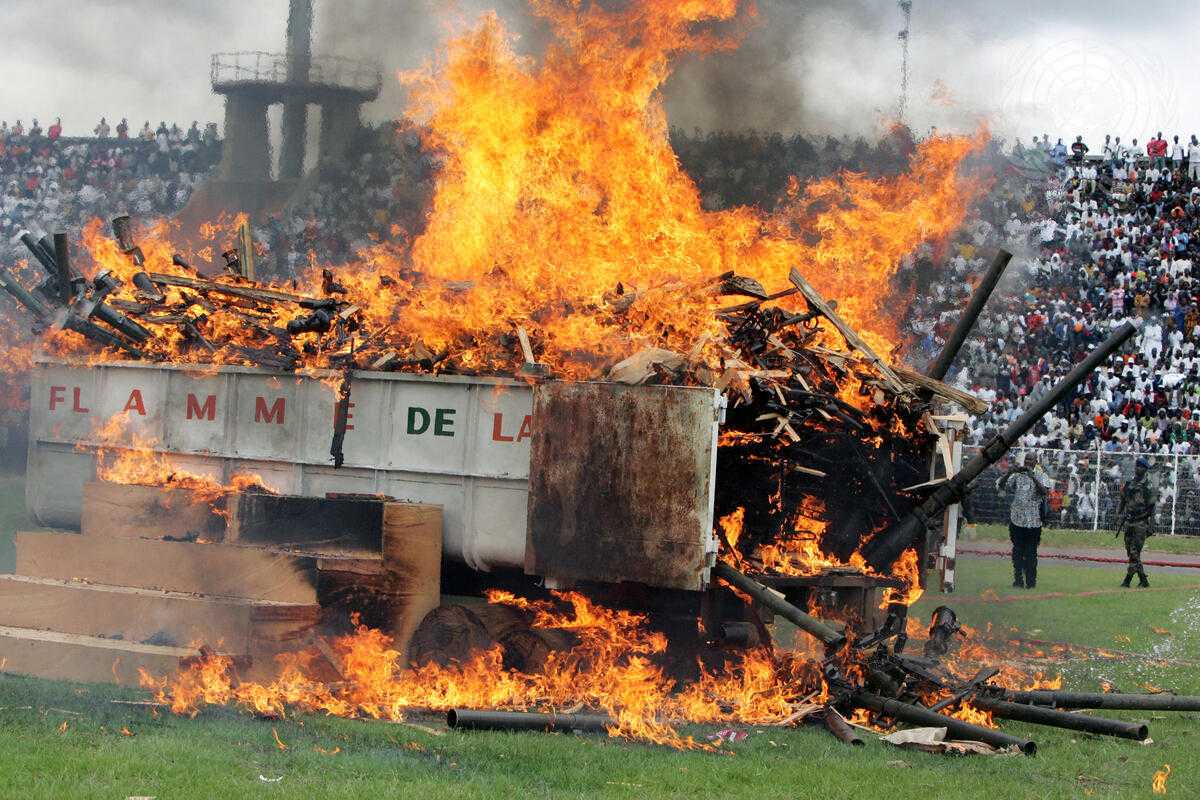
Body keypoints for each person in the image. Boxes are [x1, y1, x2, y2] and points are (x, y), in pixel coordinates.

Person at [996, 451, 1052, 588]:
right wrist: (1010, 472)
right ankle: (1018, 580)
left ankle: (1031, 582)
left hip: (1034, 523)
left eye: (1030, 460)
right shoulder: (1018, 475)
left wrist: (1033, 477)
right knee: (1017, 551)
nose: (1027, 463)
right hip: (1017, 520)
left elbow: (1045, 492)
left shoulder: (1041, 475)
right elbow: (1002, 485)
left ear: (1035, 462)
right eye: (1026, 460)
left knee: (1031, 553)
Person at [1117, 457, 1157, 587]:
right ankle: (1143, 580)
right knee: (1130, 551)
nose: (1137, 468)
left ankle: (1127, 580)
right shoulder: (1129, 483)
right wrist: (1118, 514)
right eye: (1136, 466)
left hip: (1141, 522)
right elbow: (1123, 500)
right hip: (1129, 521)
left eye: (1140, 467)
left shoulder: (1148, 485)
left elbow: (1152, 507)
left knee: (1134, 552)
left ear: (1145, 469)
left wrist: (1151, 525)